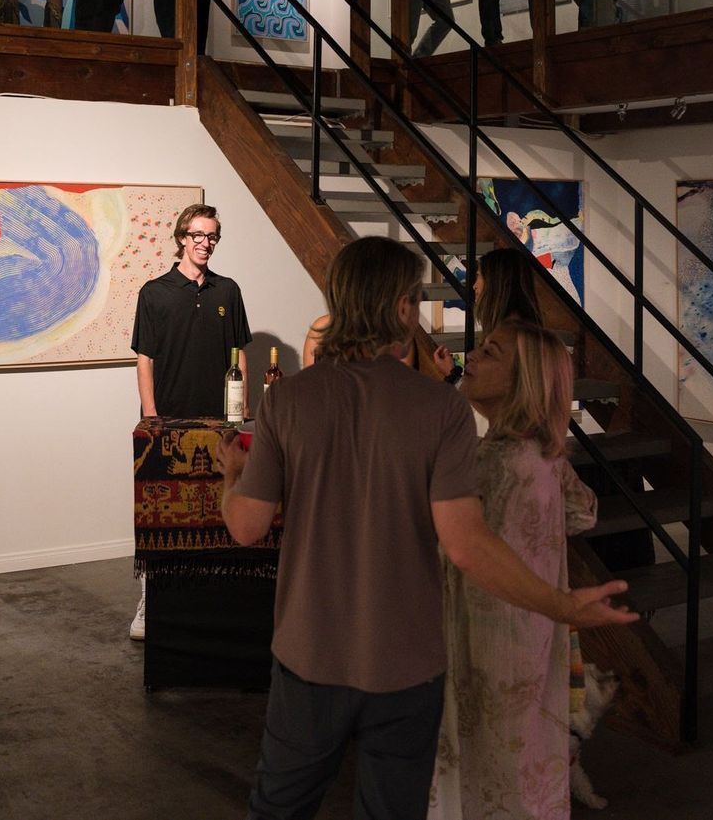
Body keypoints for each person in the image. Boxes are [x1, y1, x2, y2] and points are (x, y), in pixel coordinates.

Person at [217, 237, 637, 819]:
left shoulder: (288, 399)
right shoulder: (440, 409)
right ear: (400, 309)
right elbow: (467, 544)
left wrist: (230, 479)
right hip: (407, 661)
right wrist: (561, 606)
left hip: (311, 653)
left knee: (280, 807)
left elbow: (246, 526)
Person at [428, 317, 598, 820]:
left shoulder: (495, 463)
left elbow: (453, 547)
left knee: (486, 774)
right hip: (533, 639)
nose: (473, 357)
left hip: (486, 650)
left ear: (524, 380)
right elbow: (584, 510)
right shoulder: (543, 453)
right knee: (527, 766)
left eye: (492, 352)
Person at [128, 202, 251, 640]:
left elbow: (239, 355)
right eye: (198, 235)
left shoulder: (228, 291)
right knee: (159, 515)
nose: (205, 243)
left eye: (213, 236)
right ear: (182, 237)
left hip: (220, 420)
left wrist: (240, 410)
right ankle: (150, 598)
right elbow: (145, 359)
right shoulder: (154, 292)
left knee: (218, 509)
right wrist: (151, 416)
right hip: (168, 421)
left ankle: (212, 596)